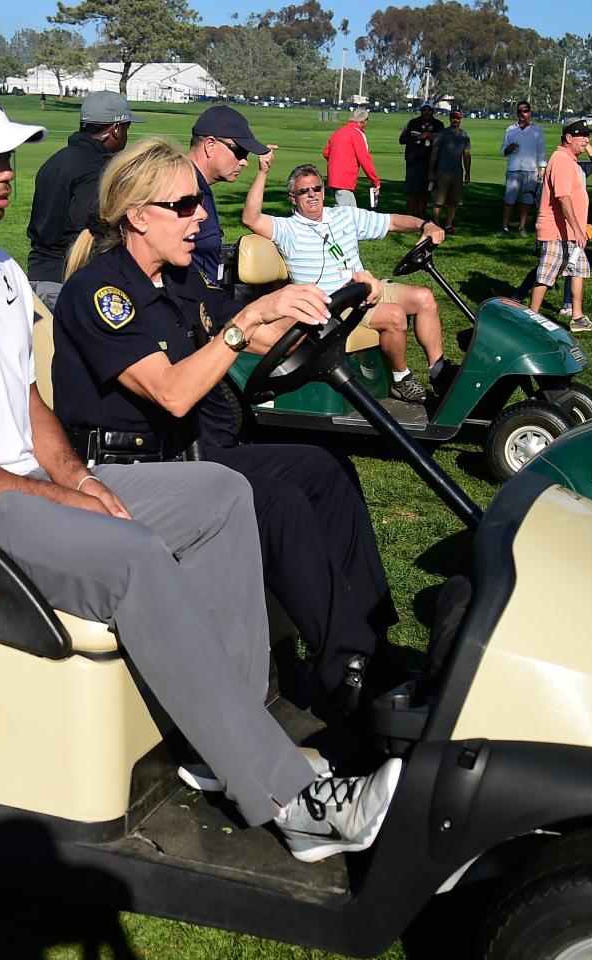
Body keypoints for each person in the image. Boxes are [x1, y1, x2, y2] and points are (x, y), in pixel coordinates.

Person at [0, 79, 403, 863]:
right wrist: (53, 496)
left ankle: (229, 742)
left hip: (7, 489)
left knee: (222, 491)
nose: (8, 169)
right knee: (134, 556)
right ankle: (292, 801)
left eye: (11, 155)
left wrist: (77, 479)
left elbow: (28, 406)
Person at [53, 137, 399, 714]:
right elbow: (173, 392)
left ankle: (374, 636)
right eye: (182, 207)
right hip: (125, 473)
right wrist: (247, 321)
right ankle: (347, 670)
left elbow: (253, 335)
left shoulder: (182, 281)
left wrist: (315, 315)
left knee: (325, 466)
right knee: (276, 500)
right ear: (138, 217)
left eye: (199, 205)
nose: (199, 218)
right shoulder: (102, 293)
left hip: (187, 456)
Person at [243, 158, 449, 403]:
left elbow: (392, 221)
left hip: (365, 288)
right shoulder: (287, 229)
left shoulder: (344, 215)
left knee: (424, 297)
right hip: (334, 306)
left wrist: (424, 225)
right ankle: (400, 379)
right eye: (303, 191)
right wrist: (263, 171)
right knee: (394, 315)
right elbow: (251, 218)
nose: (312, 195)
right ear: (292, 198)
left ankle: (439, 374)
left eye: (317, 188)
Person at [26, 90, 145, 308]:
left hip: (37, 276)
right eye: (127, 127)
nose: (127, 136)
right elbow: (91, 229)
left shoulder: (55, 160)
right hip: (68, 282)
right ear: (115, 129)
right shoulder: (98, 169)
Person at [526, 121, 592, 333]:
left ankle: (577, 317)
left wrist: (577, 229)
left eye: (588, 136)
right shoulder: (561, 160)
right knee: (546, 276)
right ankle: (531, 317)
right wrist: (577, 229)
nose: (587, 140)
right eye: (582, 136)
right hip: (557, 231)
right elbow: (563, 198)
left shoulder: (571, 160)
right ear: (569, 138)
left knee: (578, 271)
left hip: (571, 232)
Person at [186, 105, 269, 282]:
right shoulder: (181, 189)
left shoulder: (199, 185)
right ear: (210, 145)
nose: (245, 162)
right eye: (239, 151)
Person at [499, 100, 546, 234]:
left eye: (525, 111)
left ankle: (522, 227)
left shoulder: (537, 131)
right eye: (519, 111)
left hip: (530, 170)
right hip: (513, 169)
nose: (522, 114)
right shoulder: (510, 129)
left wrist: (542, 168)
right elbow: (502, 151)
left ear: (529, 113)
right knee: (509, 200)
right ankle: (504, 227)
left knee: (527, 200)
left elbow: (541, 151)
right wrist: (510, 148)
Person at [322, 107, 381, 208]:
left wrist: (337, 161)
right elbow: (365, 160)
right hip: (345, 179)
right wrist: (375, 180)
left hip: (333, 177)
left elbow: (326, 152)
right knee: (347, 213)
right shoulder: (357, 134)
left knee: (347, 210)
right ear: (363, 121)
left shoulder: (339, 132)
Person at [427, 109, 471, 232]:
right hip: (442, 172)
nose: (455, 120)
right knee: (438, 201)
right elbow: (434, 153)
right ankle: (436, 224)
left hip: (457, 173)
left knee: (454, 201)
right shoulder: (442, 134)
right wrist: (431, 170)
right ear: (450, 118)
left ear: (461, 119)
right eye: (453, 117)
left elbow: (466, 155)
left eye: (457, 118)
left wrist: (467, 173)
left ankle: (448, 225)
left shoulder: (464, 136)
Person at [397, 103, 442, 218]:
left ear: (433, 111)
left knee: (424, 193)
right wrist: (419, 137)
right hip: (413, 163)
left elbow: (443, 143)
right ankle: (409, 216)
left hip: (429, 164)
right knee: (411, 192)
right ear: (421, 110)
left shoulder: (439, 125)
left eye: (429, 110)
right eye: (424, 110)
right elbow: (402, 140)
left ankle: (421, 217)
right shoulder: (413, 123)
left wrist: (434, 137)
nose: (426, 112)